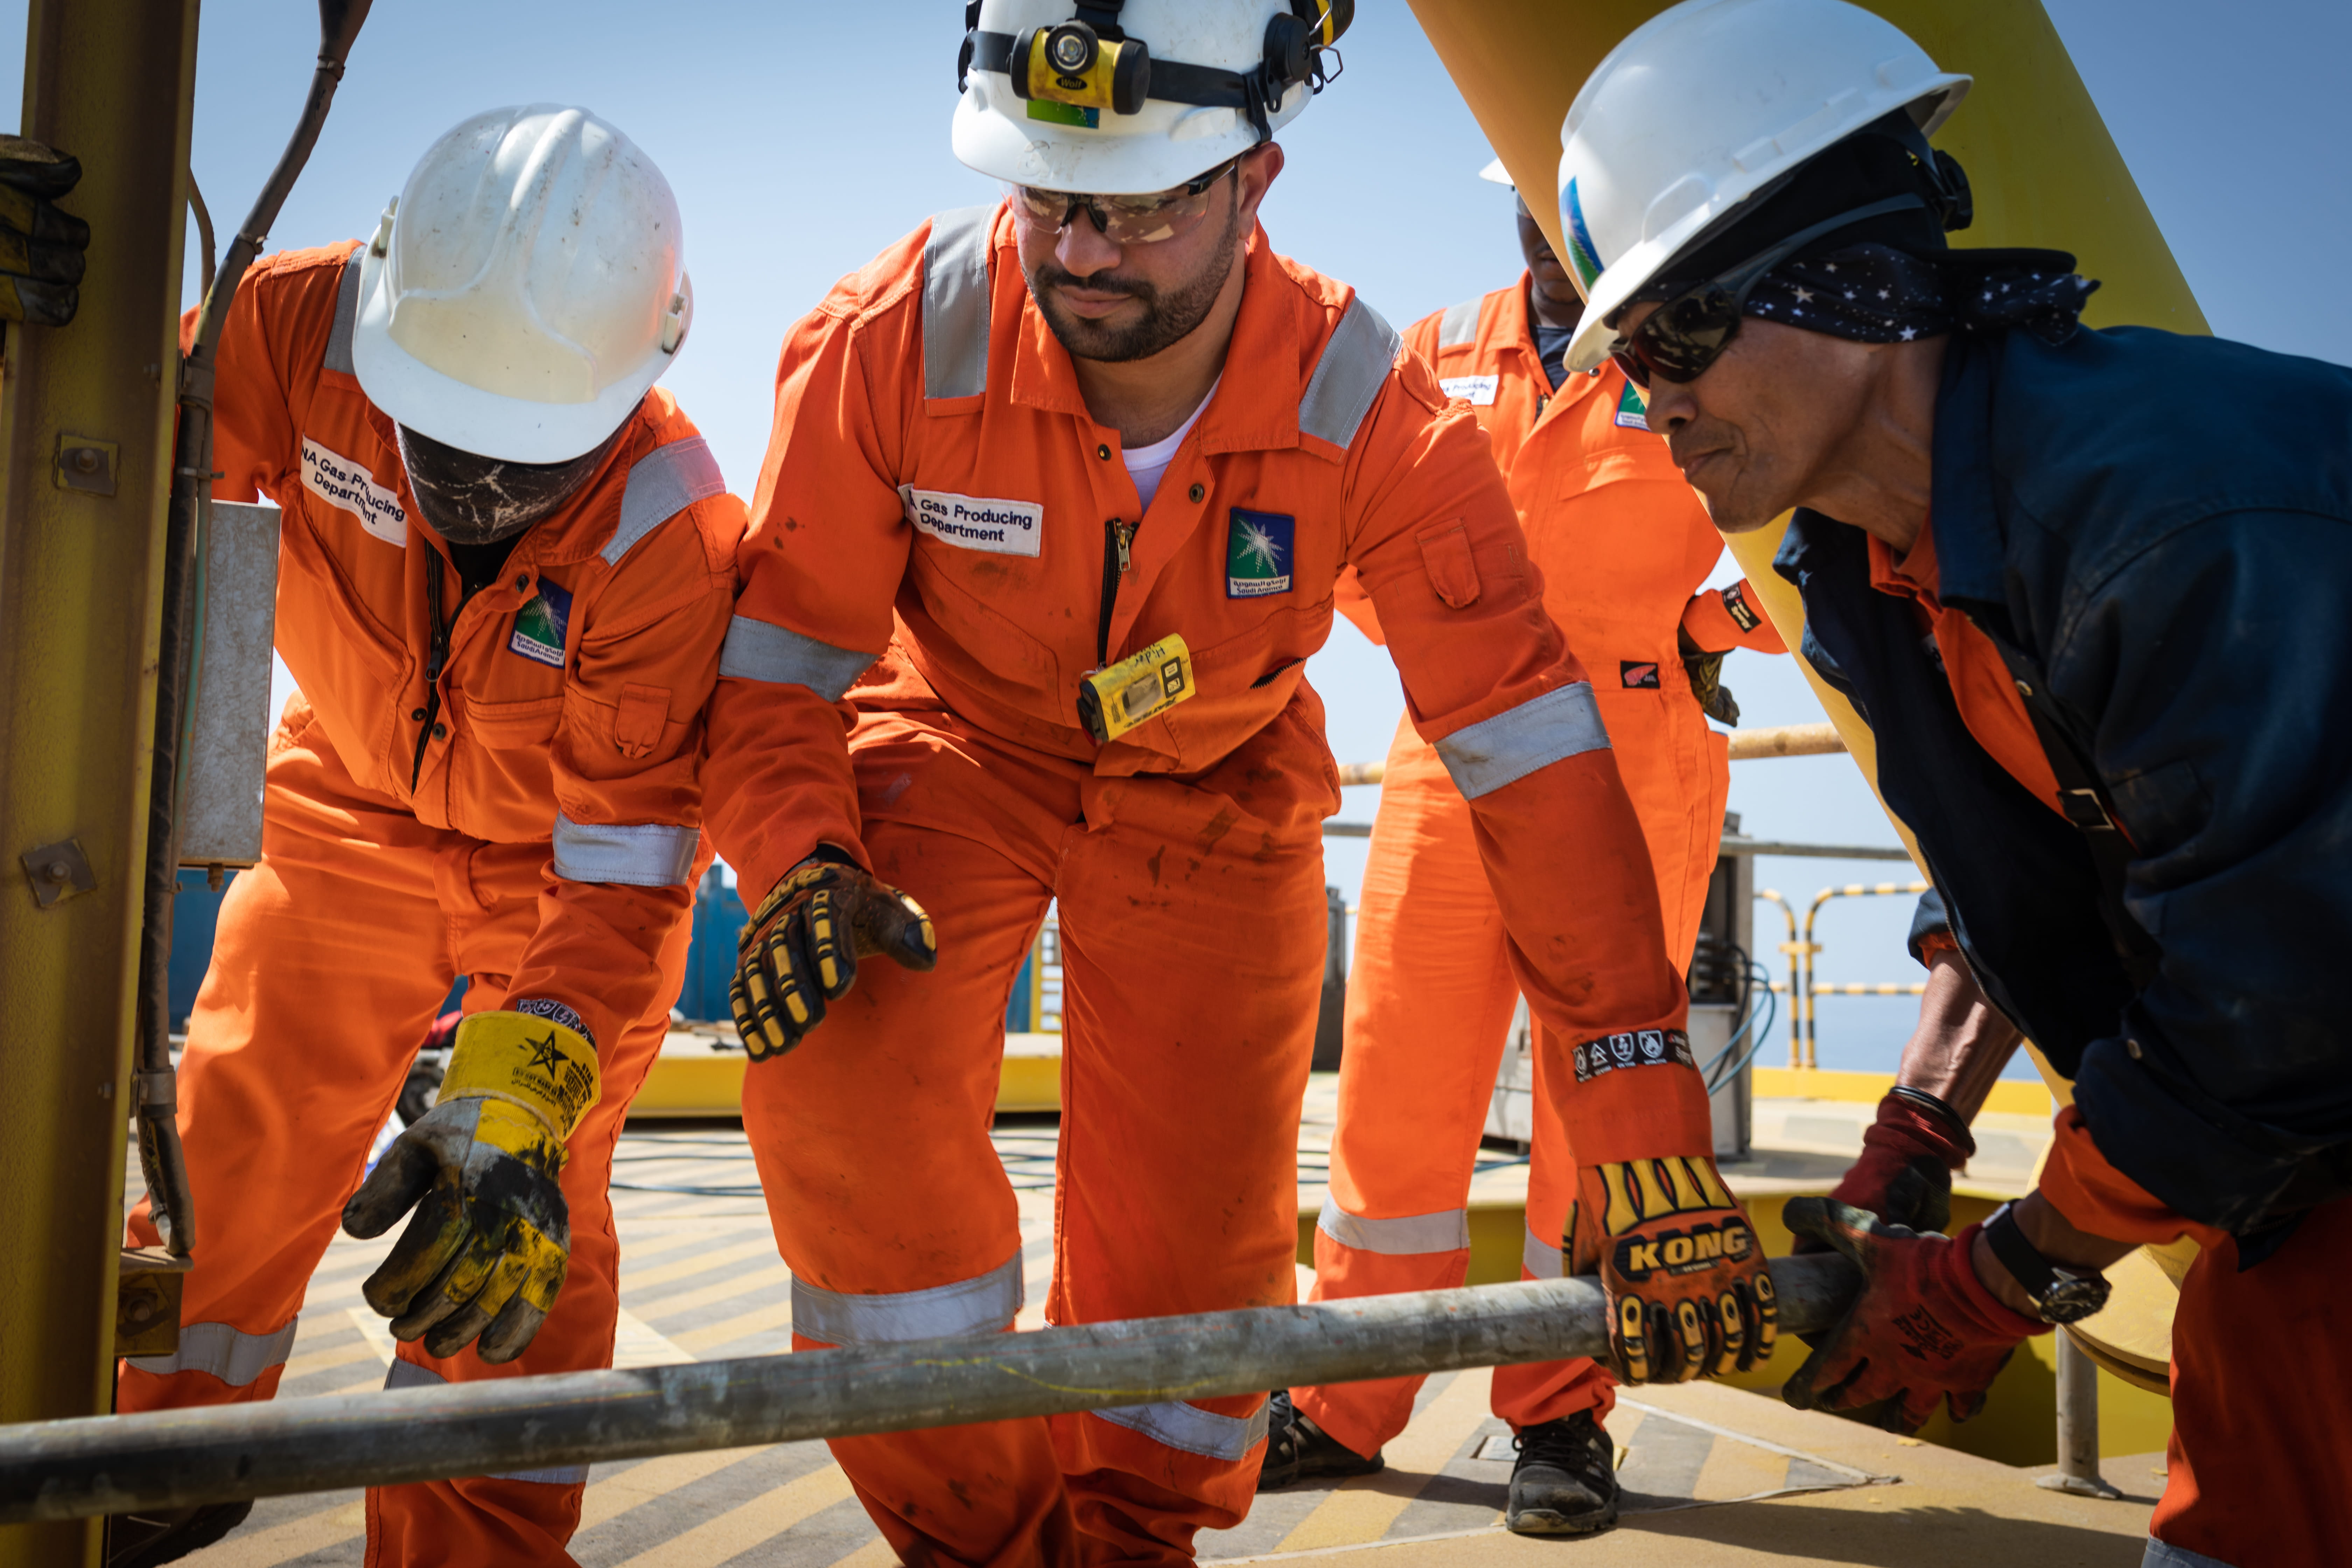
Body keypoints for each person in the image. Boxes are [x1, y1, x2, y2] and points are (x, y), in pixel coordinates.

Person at [704, 3, 1776, 1561]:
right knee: (842, 1081)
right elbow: (782, 664)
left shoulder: (1369, 404)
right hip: (951, 747)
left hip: (1216, 782)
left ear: (1254, 179)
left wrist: (1638, 1090)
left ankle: (1140, 1539)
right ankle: (985, 1545)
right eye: (1051, 197)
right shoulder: (891, 338)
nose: (1084, 251)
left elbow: (1525, 741)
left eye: (1142, 209)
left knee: (1196, 1249)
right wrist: (799, 851)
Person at [1555, 3, 2352, 1564]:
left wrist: (2007, 1275)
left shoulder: (2170, 520)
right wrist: (1919, 1132)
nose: (1653, 405)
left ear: (1841, 280)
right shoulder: (1882, 578)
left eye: (1674, 340)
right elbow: (2046, 873)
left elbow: (2281, 1006)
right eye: (1630, 362)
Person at [111, 106, 742, 1568]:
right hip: (344, 798)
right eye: (437, 432)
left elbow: (624, 867)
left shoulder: (671, 530)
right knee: (235, 1130)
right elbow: (124, 470)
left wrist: (523, 1096)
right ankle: (150, 1463)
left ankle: (479, 1543)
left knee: (513, 1210)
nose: (467, 484)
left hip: (560, 868)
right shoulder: (290, 330)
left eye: (520, 460)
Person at [1266, 166, 1784, 1536]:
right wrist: (1440, 643)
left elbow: (1810, 541)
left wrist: (1706, 631)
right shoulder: (1434, 350)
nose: (1552, 242)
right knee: (1395, 1090)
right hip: (1454, 757)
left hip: (1638, 760)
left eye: (1578, 215)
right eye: (1534, 209)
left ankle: (1559, 1412)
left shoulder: (1702, 357)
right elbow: (1345, 523)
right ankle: (1345, 1399)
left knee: (1597, 1108)